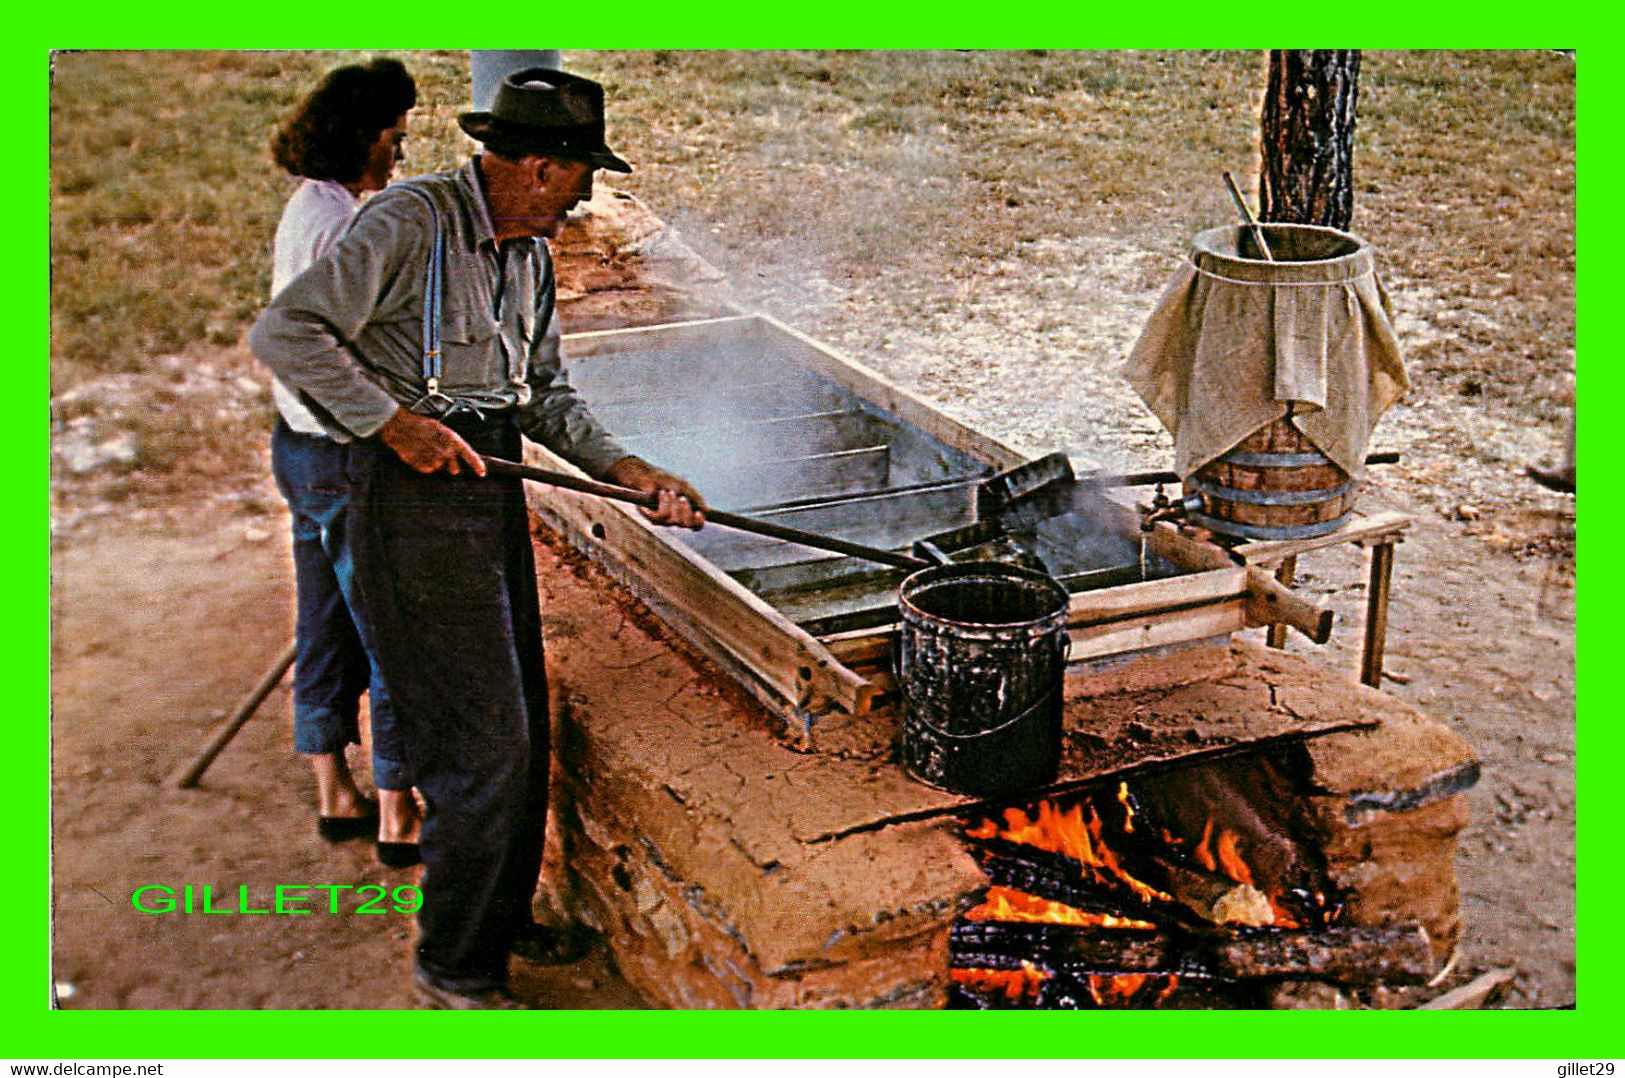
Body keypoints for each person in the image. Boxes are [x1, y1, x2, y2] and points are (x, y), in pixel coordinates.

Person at [250, 68, 707, 1009]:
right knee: (475, 740)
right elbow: (288, 331)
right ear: (538, 167)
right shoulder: (408, 223)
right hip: (407, 492)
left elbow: (543, 395)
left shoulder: (528, 255)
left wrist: (630, 473)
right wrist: (389, 422)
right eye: (580, 178)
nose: (585, 200)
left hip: (485, 477)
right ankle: (455, 967)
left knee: (521, 720)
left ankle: (492, 916)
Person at [266, 58, 422, 868]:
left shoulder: (311, 206)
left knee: (322, 618)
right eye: (395, 136)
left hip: (295, 444)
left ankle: (335, 788)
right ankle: (398, 809)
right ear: (364, 136)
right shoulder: (343, 227)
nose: (398, 153)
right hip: (343, 453)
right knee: (392, 625)